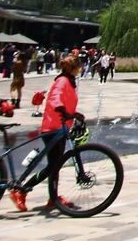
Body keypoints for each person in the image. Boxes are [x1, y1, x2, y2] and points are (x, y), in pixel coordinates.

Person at [9, 56, 85, 212]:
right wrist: (62, 110)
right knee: (53, 166)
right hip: (52, 128)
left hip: (61, 127)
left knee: (55, 166)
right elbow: (55, 98)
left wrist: (74, 115)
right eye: (79, 67)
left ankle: (53, 197)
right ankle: (22, 190)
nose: (80, 69)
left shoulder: (68, 81)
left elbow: (66, 102)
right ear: (72, 68)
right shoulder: (62, 81)